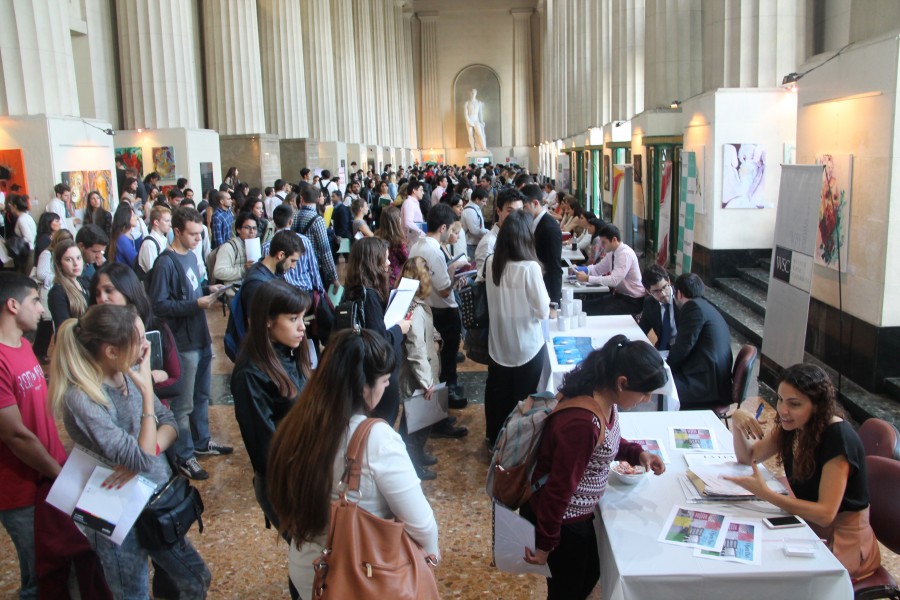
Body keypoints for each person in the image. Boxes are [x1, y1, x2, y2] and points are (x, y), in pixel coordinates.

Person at [51, 304, 211, 598]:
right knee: (131, 591)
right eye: (139, 339)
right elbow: (139, 457)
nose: (147, 345)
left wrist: (147, 449)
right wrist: (149, 395)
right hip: (110, 505)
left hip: (153, 499)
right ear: (111, 351)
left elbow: (170, 425)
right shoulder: (83, 397)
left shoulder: (129, 373)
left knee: (196, 577)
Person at [266, 329, 440, 599]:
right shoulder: (377, 440)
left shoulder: (295, 425)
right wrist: (430, 559)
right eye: (384, 381)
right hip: (357, 577)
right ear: (363, 387)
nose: (386, 388)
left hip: (307, 571)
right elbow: (421, 524)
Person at [521, 336, 668, 599]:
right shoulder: (582, 422)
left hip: (579, 515)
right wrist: (545, 544)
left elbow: (606, 443)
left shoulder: (603, 397)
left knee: (589, 573)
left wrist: (638, 453)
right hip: (564, 521)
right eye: (645, 391)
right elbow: (559, 489)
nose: (646, 399)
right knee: (568, 590)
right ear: (622, 382)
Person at [724, 364, 881, 579]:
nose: (782, 410)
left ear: (817, 406)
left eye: (794, 404)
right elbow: (748, 457)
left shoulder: (838, 439)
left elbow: (825, 514)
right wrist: (737, 421)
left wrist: (767, 495)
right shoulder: (795, 426)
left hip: (843, 543)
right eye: (780, 399)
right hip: (811, 526)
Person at [148, 207, 233, 481]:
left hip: (200, 335)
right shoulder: (165, 263)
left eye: (200, 233)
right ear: (177, 232)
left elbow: (194, 284)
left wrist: (207, 290)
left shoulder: (191, 254)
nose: (198, 239)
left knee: (202, 396)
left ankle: (201, 440)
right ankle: (185, 455)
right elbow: (158, 305)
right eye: (193, 234)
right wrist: (194, 303)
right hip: (182, 342)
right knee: (183, 405)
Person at [0, 274, 66, 599]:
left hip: (49, 473)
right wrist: (57, 472)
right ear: (13, 305)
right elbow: (15, 434)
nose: (41, 310)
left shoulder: (24, 345)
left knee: (55, 564)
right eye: (35, 301)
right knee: (39, 575)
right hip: (21, 486)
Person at [231, 280, 311, 528]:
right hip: (285, 482)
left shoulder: (290, 352)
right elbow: (264, 448)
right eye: (292, 319)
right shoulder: (251, 374)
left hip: (307, 470)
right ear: (267, 320)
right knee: (308, 556)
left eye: (303, 318)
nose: (301, 328)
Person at [483, 210, 550, 446]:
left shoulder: (492, 262)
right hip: (526, 346)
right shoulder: (529, 268)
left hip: (498, 343)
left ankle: (494, 438)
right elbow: (543, 311)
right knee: (523, 399)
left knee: (497, 394)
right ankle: (517, 445)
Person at [343, 238, 412, 426]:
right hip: (378, 373)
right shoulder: (370, 296)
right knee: (381, 423)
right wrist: (400, 328)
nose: (389, 264)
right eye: (385, 259)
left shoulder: (351, 290)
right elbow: (380, 340)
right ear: (373, 262)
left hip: (364, 370)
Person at [90, 262, 182, 402]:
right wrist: (149, 379)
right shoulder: (92, 335)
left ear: (127, 290)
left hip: (157, 412)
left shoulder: (155, 326)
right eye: (97, 293)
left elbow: (176, 383)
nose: (102, 298)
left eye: (109, 290)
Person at [409, 203, 468, 411]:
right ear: (443, 228)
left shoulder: (417, 245)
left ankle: (444, 395)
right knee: (447, 359)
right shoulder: (433, 251)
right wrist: (454, 274)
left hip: (428, 307)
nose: (452, 234)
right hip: (443, 309)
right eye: (451, 229)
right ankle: (447, 397)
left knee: (439, 358)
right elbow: (444, 290)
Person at [397, 257, 441, 480]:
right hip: (417, 379)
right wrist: (426, 382)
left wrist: (436, 337)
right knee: (412, 426)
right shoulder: (413, 309)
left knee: (420, 422)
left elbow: (426, 331)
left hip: (423, 374)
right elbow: (416, 349)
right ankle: (412, 463)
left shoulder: (414, 304)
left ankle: (418, 454)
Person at [666, 273, 733, 409]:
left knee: (658, 386)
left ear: (678, 293)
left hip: (705, 384)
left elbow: (683, 347)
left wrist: (664, 368)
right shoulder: (704, 306)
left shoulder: (693, 308)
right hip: (714, 379)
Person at [574, 224, 646, 315]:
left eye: (604, 242)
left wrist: (587, 278)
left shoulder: (625, 254)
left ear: (614, 240)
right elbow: (597, 269)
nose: (602, 246)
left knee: (594, 309)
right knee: (587, 305)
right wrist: (579, 269)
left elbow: (614, 280)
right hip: (620, 295)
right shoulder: (612, 253)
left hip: (632, 301)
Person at [240, 230, 303, 319]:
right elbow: (255, 326)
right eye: (292, 261)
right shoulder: (257, 284)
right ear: (281, 255)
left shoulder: (272, 271)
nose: (293, 266)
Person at [521, 183, 562, 306]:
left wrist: (553, 302)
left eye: (525, 207)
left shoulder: (549, 228)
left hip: (546, 291)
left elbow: (555, 268)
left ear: (535, 203)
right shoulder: (535, 222)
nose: (523, 211)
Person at [291, 186, 338, 291]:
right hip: (315, 268)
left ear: (301, 198)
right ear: (317, 199)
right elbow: (325, 250)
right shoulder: (318, 220)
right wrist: (334, 277)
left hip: (298, 266)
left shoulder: (294, 216)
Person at [474, 187, 525, 278]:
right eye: (510, 211)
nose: (516, 216)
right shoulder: (489, 243)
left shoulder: (517, 236)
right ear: (498, 211)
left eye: (520, 210)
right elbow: (483, 280)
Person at [47, 238, 90, 331]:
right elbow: (64, 329)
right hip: (74, 342)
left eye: (78, 258)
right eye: (69, 259)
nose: (76, 264)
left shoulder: (85, 281)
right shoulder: (57, 293)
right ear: (59, 264)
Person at [638, 264, 678, 351]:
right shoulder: (649, 304)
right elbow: (641, 330)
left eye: (664, 287)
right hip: (661, 350)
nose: (663, 294)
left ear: (669, 281)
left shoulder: (682, 299)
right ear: (648, 291)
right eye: (656, 291)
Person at [213, 211, 256, 289]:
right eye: (247, 228)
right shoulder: (228, 247)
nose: (252, 231)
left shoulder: (255, 246)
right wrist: (243, 270)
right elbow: (218, 272)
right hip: (232, 293)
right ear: (238, 230)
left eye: (254, 228)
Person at [376, 206, 409, 287]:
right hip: (396, 278)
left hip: (380, 275)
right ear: (397, 221)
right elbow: (406, 260)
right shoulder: (398, 241)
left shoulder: (377, 235)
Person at [136, 205, 172, 278]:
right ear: (156, 222)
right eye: (167, 221)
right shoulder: (149, 244)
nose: (170, 224)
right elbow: (154, 273)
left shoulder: (163, 240)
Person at [461, 187, 490, 258]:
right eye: (483, 201)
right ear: (477, 200)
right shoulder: (470, 211)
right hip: (470, 244)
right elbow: (474, 231)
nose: (485, 204)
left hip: (474, 243)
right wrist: (488, 232)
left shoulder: (476, 208)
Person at [401, 179, 426, 245]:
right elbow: (408, 222)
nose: (423, 193)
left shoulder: (413, 202)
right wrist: (421, 232)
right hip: (411, 240)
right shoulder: (409, 203)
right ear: (414, 190)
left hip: (414, 239)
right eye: (421, 190)